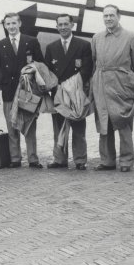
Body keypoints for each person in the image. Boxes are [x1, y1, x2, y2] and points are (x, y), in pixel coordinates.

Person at [91, 4, 134, 172]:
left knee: (123, 122)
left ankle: (126, 161)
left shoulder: (131, 37)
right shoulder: (97, 38)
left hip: (121, 85)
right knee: (104, 122)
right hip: (101, 84)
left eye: (111, 15)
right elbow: (94, 62)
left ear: (118, 17)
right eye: (105, 16)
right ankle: (107, 161)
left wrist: (130, 82)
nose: (108, 18)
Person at [0, 12, 45, 168]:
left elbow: (41, 64)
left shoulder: (31, 42)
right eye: (8, 24)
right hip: (8, 91)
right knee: (11, 125)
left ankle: (33, 159)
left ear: (19, 24)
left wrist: (36, 78)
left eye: (14, 23)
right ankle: (15, 158)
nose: (11, 27)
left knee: (29, 125)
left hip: (27, 91)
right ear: (5, 26)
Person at [45, 14, 93, 170]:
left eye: (66, 24)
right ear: (56, 27)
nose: (63, 27)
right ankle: (60, 159)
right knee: (58, 128)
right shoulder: (51, 48)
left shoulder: (83, 45)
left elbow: (87, 69)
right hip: (58, 94)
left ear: (72, 25)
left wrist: (70, 86)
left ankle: (80, 160)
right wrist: (57, 88)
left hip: (76, 94)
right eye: (60, 24)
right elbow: (48, 73)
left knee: (78, 128)